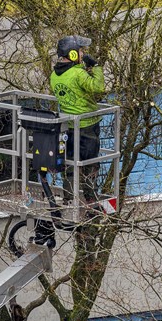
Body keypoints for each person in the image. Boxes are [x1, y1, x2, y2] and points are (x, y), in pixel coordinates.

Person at [50, 34, 105, 204]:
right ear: (73, 54)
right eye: (81, 51)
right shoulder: (77, 74)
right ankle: (90, 199)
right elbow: (98, 87)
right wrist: (95, 66)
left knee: (70, 164)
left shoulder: (55, 75)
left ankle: (69, 197)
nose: (83, 54)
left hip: (69, 126)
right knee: (90, 165)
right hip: (87, 126)